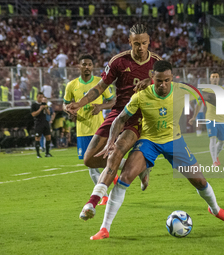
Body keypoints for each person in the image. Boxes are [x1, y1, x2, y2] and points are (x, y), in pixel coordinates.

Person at [87, 60, 224, 240]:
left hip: (174, 141)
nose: (163, 84)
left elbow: (207, 97)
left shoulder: (182, 90)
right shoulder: (140, 96)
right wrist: (111, 141)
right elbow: (120, 119)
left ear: (172, 78)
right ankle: (105, 228)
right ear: (152, 78)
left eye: (167, 80)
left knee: (199, 181)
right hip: (149, 142)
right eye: (159, 80)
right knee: (125, 177)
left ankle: (216, 210)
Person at [66, 24, 162, 217]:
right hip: (118, 113)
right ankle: (140, 167)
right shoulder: (118, 62)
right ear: (130, 42)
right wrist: (80, 103)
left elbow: (168, 86)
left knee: (115, 152)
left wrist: (151, 82)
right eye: (136, 44)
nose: (141, 47)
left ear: (149, 42)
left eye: (144, 43)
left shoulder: (157, 64)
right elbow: (101, 87)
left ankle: (92, 203)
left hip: (138, 117)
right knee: (89, 159)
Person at [63, 54, 116, 206]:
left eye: (89, 64)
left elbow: (113, 101)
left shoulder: (100, 83)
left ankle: (111, 185)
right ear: (79, 66)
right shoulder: (71, 85)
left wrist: (100, 106)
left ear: (93, 67)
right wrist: (69, 111)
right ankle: (105, 195)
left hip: (100, 130)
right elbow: (65, 104)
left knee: (104, 162)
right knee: (91, 165)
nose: (87, 67)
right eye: (84, 64)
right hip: (82, 131)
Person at [190, 71, 224, 166]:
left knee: (221, 141)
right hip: (210, 117)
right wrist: (194, 117)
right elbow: (199, 104)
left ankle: (215, 156)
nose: (214, 78)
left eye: (216, 76)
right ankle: (214, 161)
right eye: (213, 76)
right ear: (210, 78)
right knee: (212, 138)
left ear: (219, 78)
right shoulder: (206, 90)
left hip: (221, 118)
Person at [31, 92, 53, 158]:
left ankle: (47, 153)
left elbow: (49, 113)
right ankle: (38, 154)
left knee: (48, 137)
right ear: (37, 97)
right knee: (37, 138)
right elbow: (33, 114)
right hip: (38, 123)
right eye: (39, 97)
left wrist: (45, 107)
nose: (41, 98)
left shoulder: (45, 104)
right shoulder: (34, 105)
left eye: (42, 97)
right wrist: (40, 109)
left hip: (45, 122)